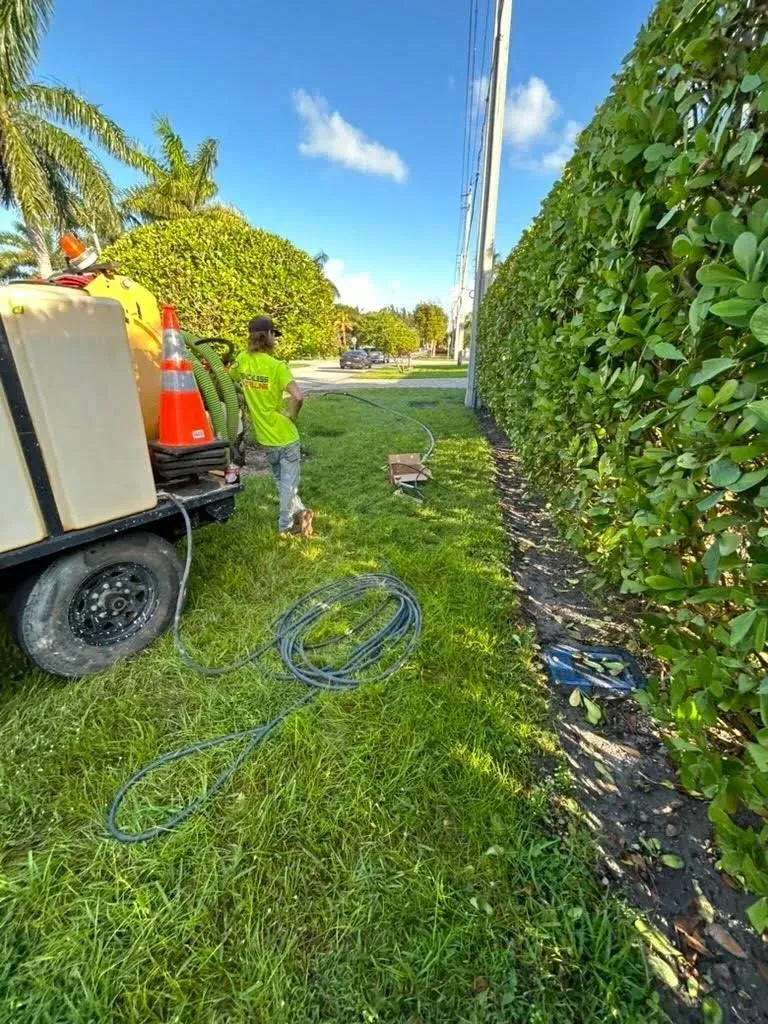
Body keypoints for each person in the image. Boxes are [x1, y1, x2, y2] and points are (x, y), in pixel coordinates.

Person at [232, 316, 313, 537]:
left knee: (280, 481)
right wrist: (290, 414)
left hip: (266, 437)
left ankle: (301, 513)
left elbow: (232, 376)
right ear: (267, 336)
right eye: (274, 335)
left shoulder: (242, 360)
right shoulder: (277, 366)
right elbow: (297, 396)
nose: (275, 339)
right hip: (285, 436)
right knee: (288, 485)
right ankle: (285, 525)